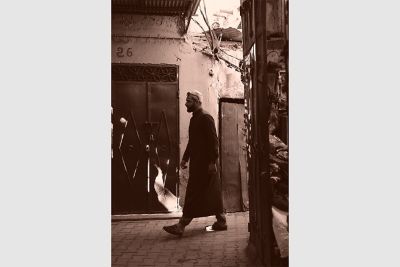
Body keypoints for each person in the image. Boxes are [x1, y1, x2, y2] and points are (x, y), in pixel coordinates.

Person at [163, 90, 227, 236]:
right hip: (198, 164)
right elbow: (192, 142)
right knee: (211, 193)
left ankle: (181, 225)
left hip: (206, 165)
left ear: (197, 101)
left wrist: (212, 162)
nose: (186, 104)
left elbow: (214, 142)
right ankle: (221, 221)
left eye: (189, 101)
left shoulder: (206, 118)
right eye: (186, 101)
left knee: (194, 194)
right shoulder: (194, 119)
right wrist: (185, 158)